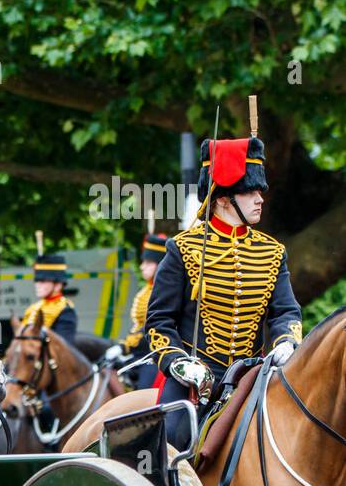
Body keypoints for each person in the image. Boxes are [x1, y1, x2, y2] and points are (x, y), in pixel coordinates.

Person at [146, 134, 302, 450]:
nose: (260, 199)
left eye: (260, 191)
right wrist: (180, 364)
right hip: (195, 380)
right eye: (250, 192)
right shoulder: (183, 249)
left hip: (253, 376)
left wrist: (286, 342)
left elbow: (286, 312)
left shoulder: (272, 252)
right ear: (223, 199)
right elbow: (159, 324)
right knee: (171, 441)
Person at [105, 233, 168, 389]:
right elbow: (137, 326)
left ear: (159, 264)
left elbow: (150, 326)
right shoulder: (145, 291)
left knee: (142, 395)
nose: (141, 267)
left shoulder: (164, 291)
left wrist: (123, 347)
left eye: (147, 263)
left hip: (155, 355)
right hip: (139, 354)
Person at [20, 254, 78, 343]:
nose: (37, 285)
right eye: (37, 281)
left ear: (58, 285)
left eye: (42, 281)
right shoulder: (32, 308)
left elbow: (63, 346)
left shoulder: (66, 310)